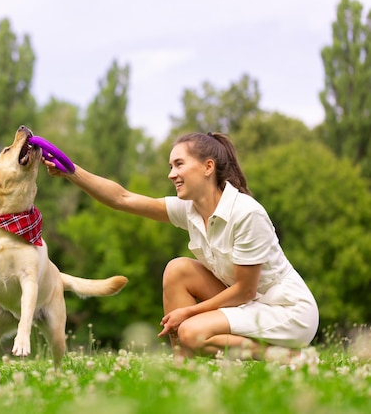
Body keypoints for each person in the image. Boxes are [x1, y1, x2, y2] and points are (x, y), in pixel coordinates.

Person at [42, 131, 319, 359]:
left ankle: (288, 357)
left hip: (286, 311)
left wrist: (189, 312)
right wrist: (71, 172)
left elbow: (245, 291)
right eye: (170, 167)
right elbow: (123, 198)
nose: (171, 174)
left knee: (191, 332)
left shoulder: (246, 213)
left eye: (179, 164)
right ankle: (182, 370)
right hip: (250, 303)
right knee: (178, 270)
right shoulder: (190, 209)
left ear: (208, 167)